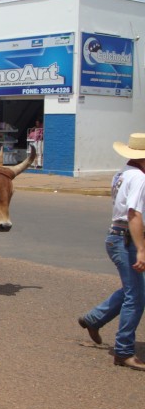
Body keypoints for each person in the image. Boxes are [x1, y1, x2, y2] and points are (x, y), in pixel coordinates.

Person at [78, 132, 145, 371]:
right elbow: (134, 214)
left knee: (132, 289)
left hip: (117, 236)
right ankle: (124, 351)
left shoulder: (122, 173)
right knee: (136, 297)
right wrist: (141, 249)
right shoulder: (139, 178)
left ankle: (94, 318)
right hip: (124, 239)